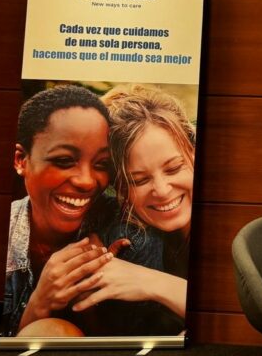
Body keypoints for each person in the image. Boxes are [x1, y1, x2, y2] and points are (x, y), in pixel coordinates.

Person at [68, 84, 195, 335]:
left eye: (173, 168)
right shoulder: (128, 238)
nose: (162, 190)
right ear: (119, 189)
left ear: (193, 151)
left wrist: (155, 283)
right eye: (139, 180)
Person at [4, 85, 117, 337]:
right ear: (21, 160)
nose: (87, 181)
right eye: (64, 160)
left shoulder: (126, 230)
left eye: (102, 164)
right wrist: (39, 303)